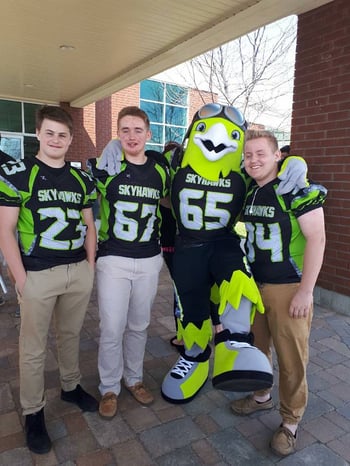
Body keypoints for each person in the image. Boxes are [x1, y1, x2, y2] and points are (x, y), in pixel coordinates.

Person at [0, 106, 98, 455]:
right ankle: (33, 411)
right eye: (50, 133)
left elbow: (90, 225)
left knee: (70, 335)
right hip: (38, 273)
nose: (56, 139)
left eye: (63, 135)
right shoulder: (19, 173)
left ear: (71, 140)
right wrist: (21, 279)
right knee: (33, 348)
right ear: (38, 134)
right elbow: (5, 230)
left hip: (76, 271)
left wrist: (90, 266)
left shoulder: (82, 178)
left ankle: (70, 387)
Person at [231, 130, 326, 457]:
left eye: (260, 153)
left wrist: (306, 291)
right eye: (248, 155)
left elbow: (317, 239)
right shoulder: (250, 192)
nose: (253, 160)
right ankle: (261, 397)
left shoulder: (295, 188)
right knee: (258, 349)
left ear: (277, 156)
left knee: (291, 359)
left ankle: (290, 421)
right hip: (255, 286)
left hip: (288, 287)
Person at [88, 106, 169, 420]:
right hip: (114, 259)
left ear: (149, 134)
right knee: (111, 326)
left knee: (139, 325)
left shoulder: (161, 169)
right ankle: (109, 386)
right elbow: (80, 192)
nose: (131, 136)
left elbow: (171, 196)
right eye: (125, 130)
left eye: (138, 130)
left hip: (148, 258)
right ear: (117, 134)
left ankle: (133, 378)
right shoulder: (106, 166)